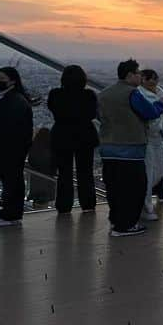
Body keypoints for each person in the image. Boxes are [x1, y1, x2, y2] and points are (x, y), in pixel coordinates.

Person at [97, 58, 163, 236]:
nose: (140, 77)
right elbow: (149, 112)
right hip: (130, 149)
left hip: (108, 148)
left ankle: (117, 222)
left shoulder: (104, 93)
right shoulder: (132, 93)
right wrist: (161, 104)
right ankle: (127, 224)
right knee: (134, 188)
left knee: (114, 188)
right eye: (137, 73)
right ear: (129, 75)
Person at [0, 66, 33, 228]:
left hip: (9, 147)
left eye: (1, 78)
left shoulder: (12, 100)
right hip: (12, 147)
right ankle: (12, 213)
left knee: (11, 180)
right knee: (13, 180)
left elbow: (6, 125)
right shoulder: (12, 98)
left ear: (12, 80)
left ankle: (9, 214)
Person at [47, 65, 98, 214]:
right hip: (84, 135)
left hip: (62, 135)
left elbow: (53, 110)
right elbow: (92, 114)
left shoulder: (55, 94)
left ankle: (64, 205)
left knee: (64, 173)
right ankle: (88, 204)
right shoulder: (89, 95)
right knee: (86, 171)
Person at [137, 70, 163, 220]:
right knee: (148, 173)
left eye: (154, 79)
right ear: (142, 80)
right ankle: (146, 206)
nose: (153, 82)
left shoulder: (159, 93)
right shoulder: (139, 95)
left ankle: (146, 203)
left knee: (157, 171)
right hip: (147, 139)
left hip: (157, 138)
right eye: (149, 79)